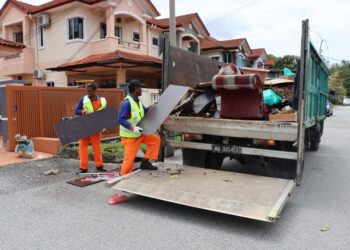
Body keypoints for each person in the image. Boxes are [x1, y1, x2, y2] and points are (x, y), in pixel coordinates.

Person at [118, 80, 160, 176]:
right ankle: (122, 178)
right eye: (140, 88)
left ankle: (145, 162)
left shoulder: (138, 101)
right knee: (129, 161)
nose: (141, 89)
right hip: (130, 137)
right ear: (135, 89)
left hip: (140, 133)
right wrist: (133, 128)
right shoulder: (126, 103)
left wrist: (152, 106)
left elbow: (144, 111)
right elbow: (120, 119)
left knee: (155, 140)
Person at [74, 83, 107, 174]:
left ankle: (99, 165)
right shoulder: (83, 99)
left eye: (90, 91)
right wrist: (83, 112)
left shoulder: (102, 101)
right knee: (82, 147)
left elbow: (103, 115)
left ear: (95, 90)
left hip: (96, 128)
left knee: (96, 147)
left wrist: (104, 126)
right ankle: (83, 167)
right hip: (84, 127)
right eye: (87, 91)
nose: (88, 92)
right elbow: (76, 110)